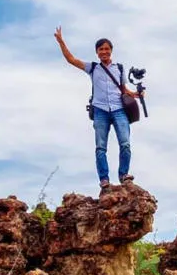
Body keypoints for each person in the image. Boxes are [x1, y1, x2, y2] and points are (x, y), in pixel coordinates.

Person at [54, 26, 141, 189]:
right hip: (100, 110)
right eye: (101, 49)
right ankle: (104, 179)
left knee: (125, 144)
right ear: (97, 52)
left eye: (107, 49)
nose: (104, 52)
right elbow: (71, 60)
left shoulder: (119, 68)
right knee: (101, 147)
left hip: (118, 109)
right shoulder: (93, 68)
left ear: (111, 51)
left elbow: (123, 90)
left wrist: (135, 94)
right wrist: (61, 42)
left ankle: (124, 175)